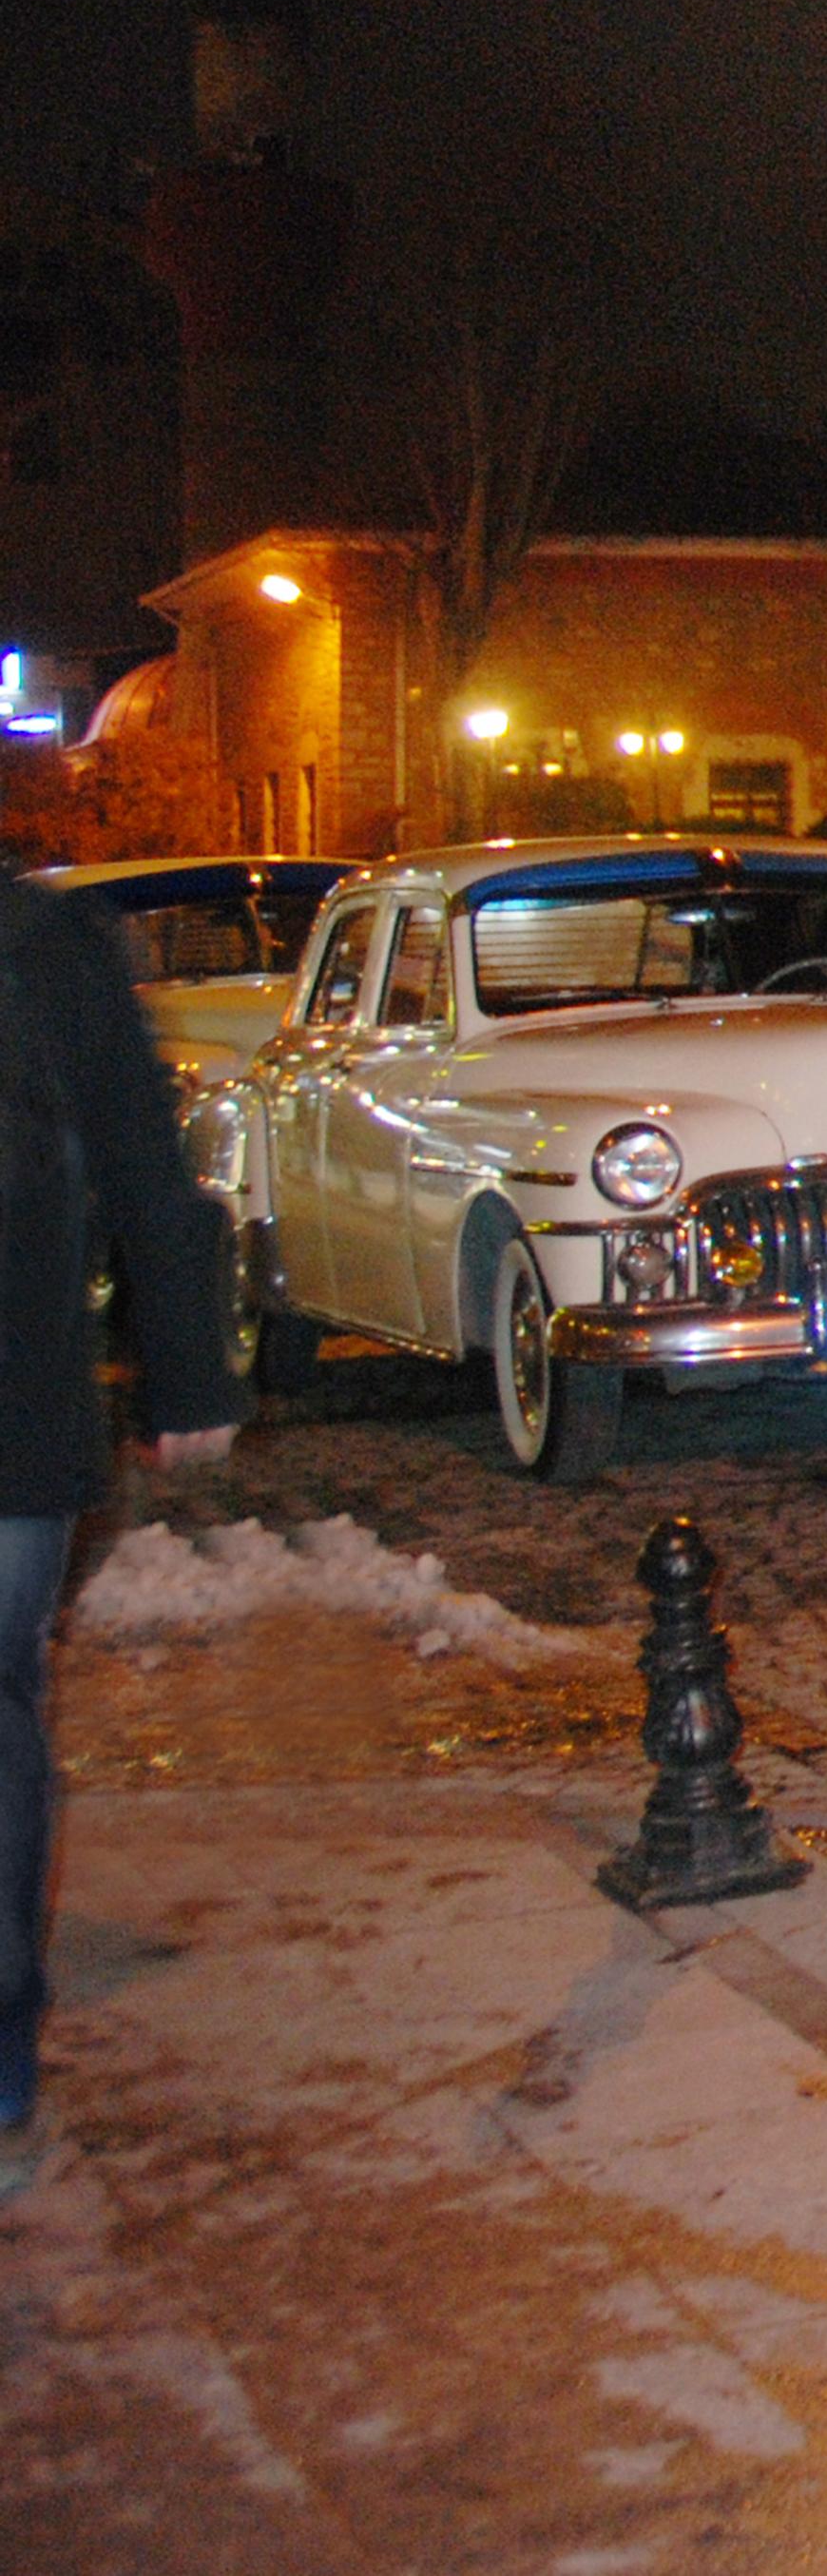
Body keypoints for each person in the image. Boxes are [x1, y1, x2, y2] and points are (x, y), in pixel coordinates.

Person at [0, 868, 244, 2196]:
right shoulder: (46, 937)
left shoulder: (47, 941)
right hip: (17, 1401)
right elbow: (145, 1156)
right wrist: (188, 1367)